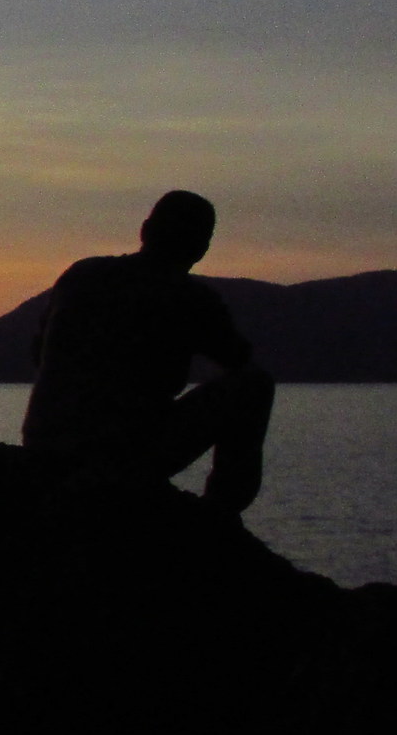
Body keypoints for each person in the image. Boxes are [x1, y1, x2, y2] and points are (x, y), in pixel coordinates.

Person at [21, 190, 275, 512]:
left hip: (43, 442)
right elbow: (238, 360)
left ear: (145, 230)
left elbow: (38, 352)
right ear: (201, 247)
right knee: (255, 385)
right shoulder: (192, 299)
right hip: (121, 456)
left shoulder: (81, 274)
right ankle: (220, 512)